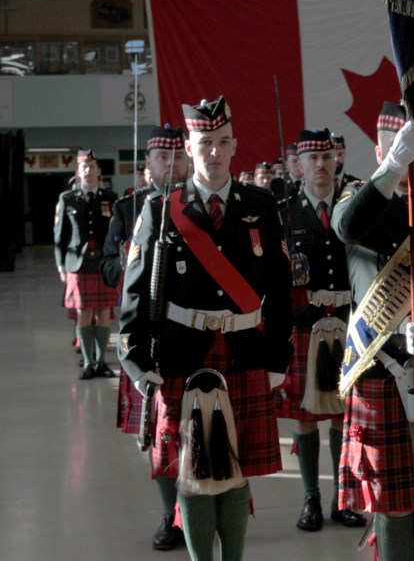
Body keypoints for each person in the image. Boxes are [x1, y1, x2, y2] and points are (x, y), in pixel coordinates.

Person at [119, 95, 293, 561]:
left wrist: (278, 357)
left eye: (221, 142)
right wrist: (136, 361)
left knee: (236, 473)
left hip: (245, 351)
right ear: (187, 148)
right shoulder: (160, 211)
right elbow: (134, 295)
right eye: (203, 143)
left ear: (234, 145)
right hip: (183, 354)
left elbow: (279, 289)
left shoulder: (260, 204)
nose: (213, 152)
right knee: (192, 477)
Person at [331, 100, 414, 561]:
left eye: (413, 148)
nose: (407, 156)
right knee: (392, 505)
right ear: (379, 149)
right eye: (393, 147)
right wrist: (390, 169)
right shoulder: (355, 198)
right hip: (380, 369)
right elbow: (346, 227)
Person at [101, 124, 190, 551]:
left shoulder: (202, 205)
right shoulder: (126, 208)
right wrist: (133, 271)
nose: (170, 164)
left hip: (192, 333)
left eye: (177, 156)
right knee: (161, 436)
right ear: (147, 163)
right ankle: (170, 514)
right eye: (162, 157)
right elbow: (105, 265)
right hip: (146, 333)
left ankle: (201, 509)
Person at [276, 128, 366, 531]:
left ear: (337, 161)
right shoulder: (283, 212)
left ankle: (340, 498)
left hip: (348, 322)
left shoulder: (353, 205)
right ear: (299, 165)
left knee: (342, 416)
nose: (320, 165)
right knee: (305, 415)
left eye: (327, 157)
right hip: (304, 326)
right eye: (312, 158)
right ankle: (311, 498)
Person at [54, 149, 121, 380]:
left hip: (104, 264)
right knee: (84, 312)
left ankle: (100, 361)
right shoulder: (67, 199)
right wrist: (61, 266)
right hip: (78, 265)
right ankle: (88, 362)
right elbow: (59, 236)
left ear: (98, 171)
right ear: (78, 172)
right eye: (84, 167)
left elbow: (118, 233)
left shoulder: (111, 199)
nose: (88, 170)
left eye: (92, 166)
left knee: (104, 312)